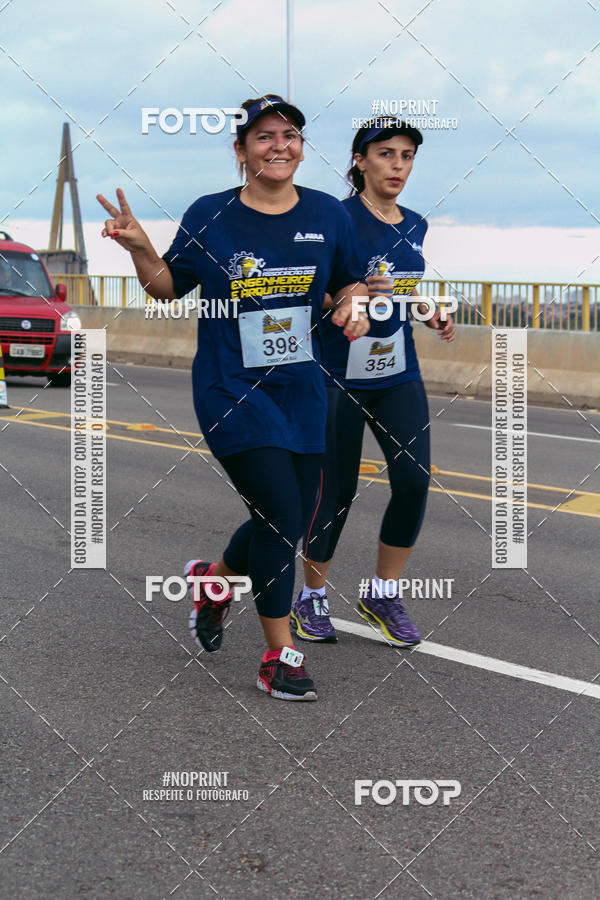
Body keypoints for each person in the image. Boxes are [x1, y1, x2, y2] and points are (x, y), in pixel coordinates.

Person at [97, 94, 368, 701]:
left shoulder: (329, 213)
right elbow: (168, 287)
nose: (281, 146)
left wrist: (352, 302)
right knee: (278, 513)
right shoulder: (211, 214)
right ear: (242, 150)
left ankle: (213, 584)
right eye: (266, 137)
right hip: (230, 385)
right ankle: (279, 654)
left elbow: (346, 279)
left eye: (291, 135)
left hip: (302, 387)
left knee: (289, 518)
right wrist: (141, 247)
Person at [291, 117, 454, 647]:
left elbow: (402, 291)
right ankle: (310, 597)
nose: (398, 166)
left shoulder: (416, 224)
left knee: (412, 481)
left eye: (407, 156)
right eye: (386, 154)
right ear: (360, 160)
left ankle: (382, 592)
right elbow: (305, 292)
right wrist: (349, 292)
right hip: (337, 372)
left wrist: (428, 309)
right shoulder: (333, 218)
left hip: (395, 370)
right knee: (335, 491)